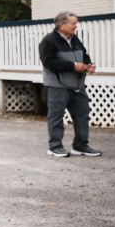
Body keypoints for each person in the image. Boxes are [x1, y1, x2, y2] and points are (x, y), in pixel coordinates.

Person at [38, 11, 101, 158]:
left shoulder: (75, 39)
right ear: (61, 25)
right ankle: (55, 147)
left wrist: (88, 64)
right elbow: (48, 62)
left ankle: (80, 146)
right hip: (57, 85)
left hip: (77, 85)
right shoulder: (48, 41)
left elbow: (84, 55)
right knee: (56, 116)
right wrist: (73, 66)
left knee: (82, 115)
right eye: (73, 24)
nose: (75, 26)